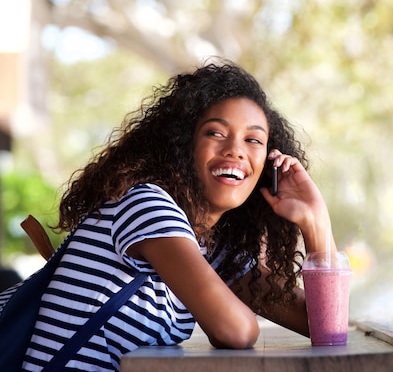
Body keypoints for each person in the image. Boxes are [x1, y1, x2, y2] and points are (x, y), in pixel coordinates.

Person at [0, 58, 337, 371]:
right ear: (183, 144)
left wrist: (316, 222)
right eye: (215, 133)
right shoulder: (147, 207)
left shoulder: (213, 251)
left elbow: (327, 325)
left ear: (267, 164)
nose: (235, 149)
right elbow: (236, 330)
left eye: (254, 140)